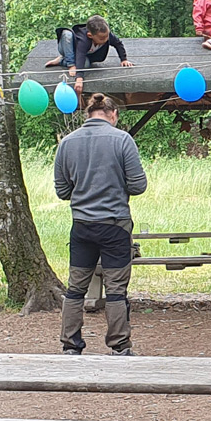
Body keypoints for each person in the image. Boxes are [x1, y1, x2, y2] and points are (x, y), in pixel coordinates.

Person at [54, 93, 147, 356]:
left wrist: (83, 191)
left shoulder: (67, 143)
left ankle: (70, 344)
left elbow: (62, 190)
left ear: (88, 114)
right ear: (113, 114)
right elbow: (138, 185)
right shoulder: (122, 140)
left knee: (75, 288)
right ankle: (119, 345)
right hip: (115, 225)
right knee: (116, 289)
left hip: (82, 225)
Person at [45, 15, 134, 97]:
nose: (106, 39)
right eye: (102, 38)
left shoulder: (106, 35)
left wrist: (124, 59)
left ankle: (61, 61)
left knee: (86, 65)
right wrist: (79, 78)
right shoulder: (84, 40)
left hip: (82, 56)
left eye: (107, 36)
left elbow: (118, 44)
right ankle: (69, 62)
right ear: (90, 35)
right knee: (67, 34)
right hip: (68, 49)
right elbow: (80, 55)